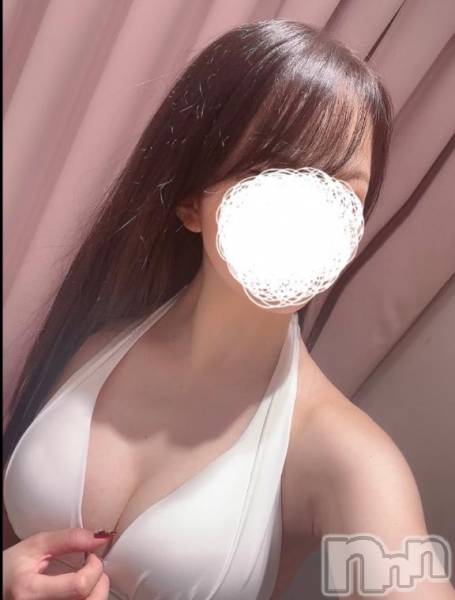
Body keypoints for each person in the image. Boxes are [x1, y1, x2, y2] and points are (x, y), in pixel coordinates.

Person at [3, 18, 454, 600]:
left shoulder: (348, 459)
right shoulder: (95, 342)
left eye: (340, 190)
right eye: (270, 174)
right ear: (191, 203)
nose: (302, 216)